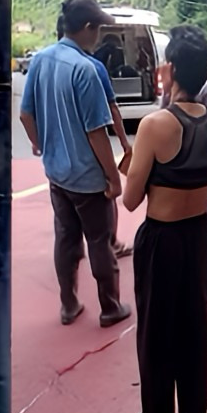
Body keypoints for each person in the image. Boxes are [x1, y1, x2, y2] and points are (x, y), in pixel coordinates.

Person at [122, 24, 207, 413]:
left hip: (160, 239)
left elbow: (131, 200)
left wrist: (143, 171)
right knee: (194, 323)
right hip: (198, 235)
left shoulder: (154, 125)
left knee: (155, 332)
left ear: (170, 69)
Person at [20, 0, 131, 328]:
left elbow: (26, 114)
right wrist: (113, 177)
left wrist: (39, 144)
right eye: (97, 28)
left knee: (66, 238)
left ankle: (69, 305)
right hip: (86, 178)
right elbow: (97, 132)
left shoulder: (41, 59)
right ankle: (110, 307)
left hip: (57, 175)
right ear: (86, 28)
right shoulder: (85, 69)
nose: (99, 36)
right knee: (99, 241)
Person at [57, 15, 135, 258]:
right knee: (104, 202)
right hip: (88, 157)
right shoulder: (93, 68)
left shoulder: (48, 63)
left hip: (58, 159)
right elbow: (109, 113)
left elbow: (27, 115)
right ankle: (111, 243)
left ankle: (70, 278)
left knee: (65, 217)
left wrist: (39, 143)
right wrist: (124, 143)